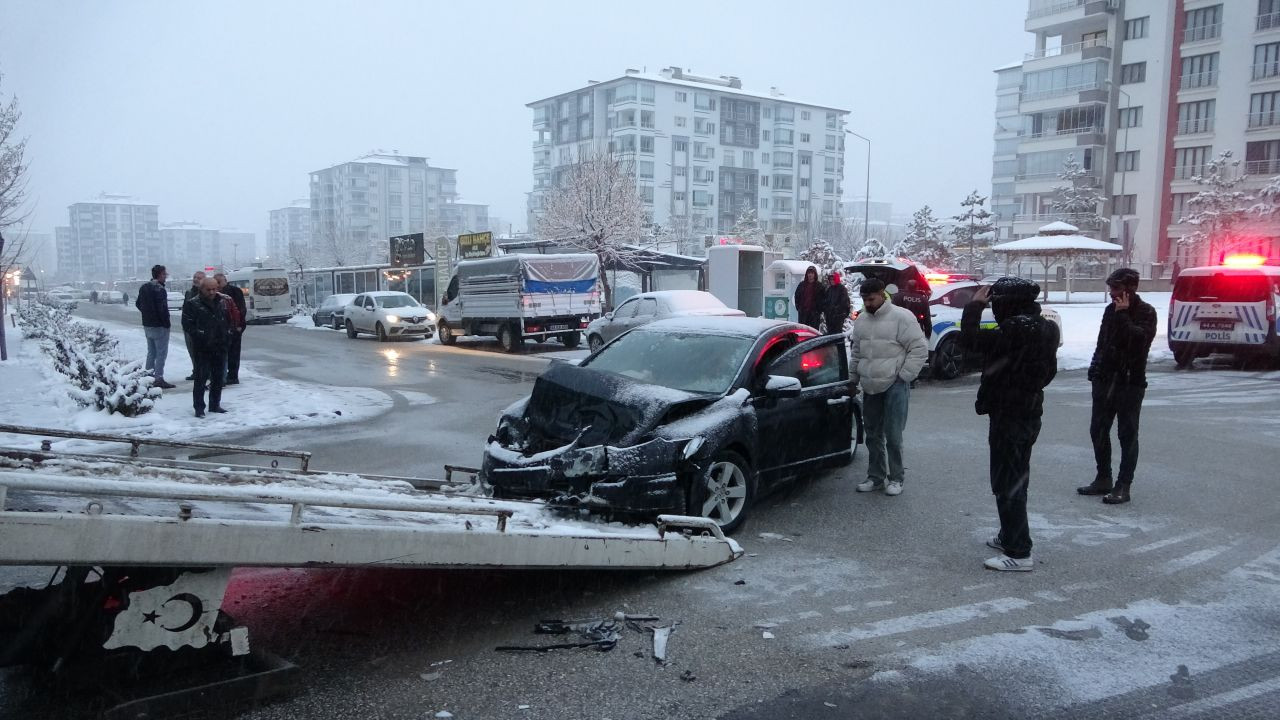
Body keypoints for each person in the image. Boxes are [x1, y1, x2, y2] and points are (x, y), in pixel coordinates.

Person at [961, 277, 1059, 572]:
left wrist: (975, 306)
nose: (994, 308)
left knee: (1009, 481)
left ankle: (1019, 551)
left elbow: (970, 341)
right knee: (1012, 478)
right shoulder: (1046, 327)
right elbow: (1048, 372)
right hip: (1026, 411)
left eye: (996, 302)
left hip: (1011, 414)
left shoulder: (1016, 329)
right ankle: (1009, 534)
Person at [1077, 268, 1157, 505]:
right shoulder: (1109, 311)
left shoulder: (1146, 312)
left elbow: (1138, 342)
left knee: (1127, 434)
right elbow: (1103, 343)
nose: (1112, 293)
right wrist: (1095, 370)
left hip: (1130, 382)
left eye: (1116, 288)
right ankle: (1103, 477)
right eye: (1110, 288)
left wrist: (1123, 315)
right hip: (1105, 380)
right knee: (1098, 430)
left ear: (1130, 289)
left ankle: (1124, 485)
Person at [849, 278, 928, 497]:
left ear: (882, 294)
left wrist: (904, 376)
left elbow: (919, 349)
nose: (867, 303)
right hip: (870, 385)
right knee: (873, 435)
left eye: (871, 298)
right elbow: (857, 352)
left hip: (895, 384)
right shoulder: (861, 320)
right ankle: (875, 477)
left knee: (893, 435)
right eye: (864, 299)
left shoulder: (902, 317)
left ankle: (896, 478)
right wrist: (853, 379)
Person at [181, 277, 230, 418]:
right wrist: (201, 335)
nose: (212, 292)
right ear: (201, 289)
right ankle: (199, 407)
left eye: (214, 289)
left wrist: (227, 334)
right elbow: (187, 324)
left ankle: (215, 404)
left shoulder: (221, 301)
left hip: (219, 345)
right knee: (201, 378)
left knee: (218, 377)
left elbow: (226, 319)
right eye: (208, 289)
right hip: (202, 347)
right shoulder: (193, 304)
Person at [134, 265, 176, 389]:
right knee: (161, 353)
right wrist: (166, 323)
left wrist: (147, 314)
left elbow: (138, 303)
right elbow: (162, 308)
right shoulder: (159, 289)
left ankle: (148, 377)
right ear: (159, 275)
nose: (166, 276)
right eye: (164, 274)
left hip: (147, 325)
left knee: (151, 352)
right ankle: (158, 378)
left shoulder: (144, 287)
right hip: (160, 326)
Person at [214, 273, 247, 385]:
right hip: (222, 328)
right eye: (216, 282)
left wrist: (238, 326)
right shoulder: (214, 294)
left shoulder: (234, 291)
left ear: (225, 280)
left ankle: (233, 376)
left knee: (234, 352)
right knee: (224, 352)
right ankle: (225, 374)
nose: (218, 284)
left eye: (219, 282)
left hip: (234, 326)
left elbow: (241, 309)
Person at [182, 271, 206, 381]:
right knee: (192, 351)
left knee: (202, 352)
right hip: (189, 328)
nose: (196, 279)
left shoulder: (206, 293)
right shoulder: (189, 293)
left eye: (199, 278)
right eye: (194, 277)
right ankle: (196, 371)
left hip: (202, 328)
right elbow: (185, 310)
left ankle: (204, 372)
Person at [823, 268, 852, 336]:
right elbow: (826, 301)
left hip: (838, 317)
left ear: (836, 279)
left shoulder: (842, 289)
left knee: (838, 335)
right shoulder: (829, 289)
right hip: (829, 317)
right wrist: (826, 310)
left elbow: (844, 302)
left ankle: (839, 346)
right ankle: (832, 346)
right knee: (830, 334)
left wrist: (837, 311)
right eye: (830, 280)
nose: (832, 281)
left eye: (833, 279)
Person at [794, 266, 823, 330]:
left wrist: (819, 310)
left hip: (814, 315)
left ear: (815, 274)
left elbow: (823, 299)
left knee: (813, 333)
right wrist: (798, 308)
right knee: (803, 331)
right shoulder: (802, 285)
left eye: (812, 273)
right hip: (803, 314)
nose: (810, 275)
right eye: (809, 273)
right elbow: (796, 296)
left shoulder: (819, 286)